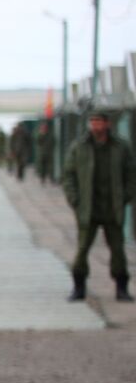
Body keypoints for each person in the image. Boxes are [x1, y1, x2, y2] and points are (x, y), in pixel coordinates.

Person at [62, 110, 136, 302]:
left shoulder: (120, 147)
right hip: (88, 208)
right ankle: (79, 287)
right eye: (92, 122)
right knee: (82, 249)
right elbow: (68, 174)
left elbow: (131, 174)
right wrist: (75, 199)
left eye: (99, 122)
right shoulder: (80, 147)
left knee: (118, 251)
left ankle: (121, 287)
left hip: (113, 208)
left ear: (107, 124)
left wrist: (126, 196)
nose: (96, 126)